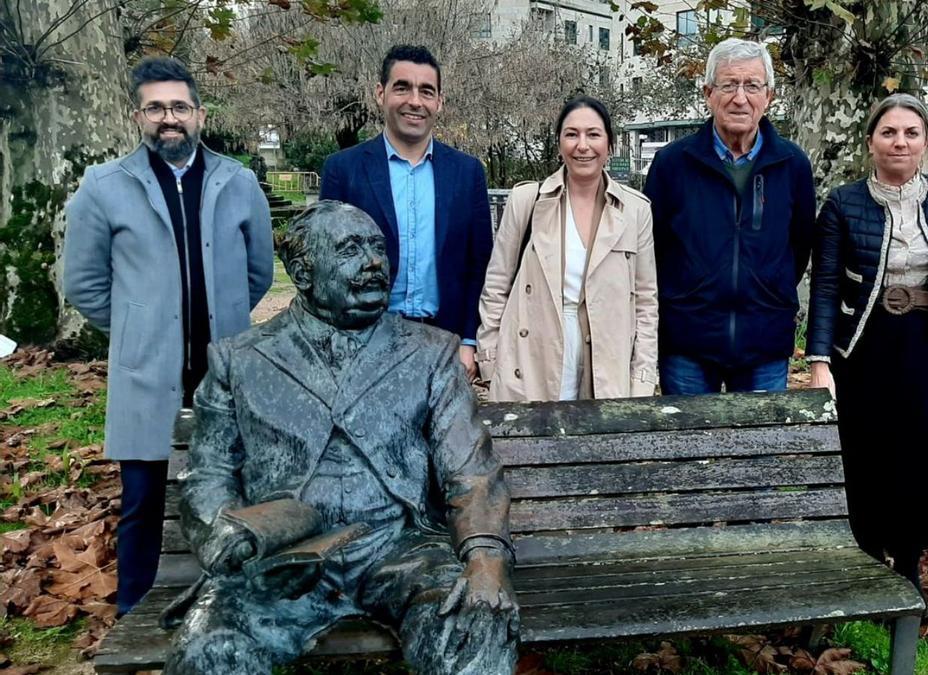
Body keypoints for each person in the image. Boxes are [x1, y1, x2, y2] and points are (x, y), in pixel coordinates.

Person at [164, 201, 518, 675]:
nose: (374, 262)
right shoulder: (240, 360)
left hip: (401, 550)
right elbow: (208, 473)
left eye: (377, 248)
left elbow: (470, 469)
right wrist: (222, 533)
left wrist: (485, 555)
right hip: (281, 562)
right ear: (303, 272)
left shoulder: (431, 353)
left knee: (472, 633)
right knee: (209, 651)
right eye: (350, 250)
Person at [63, 57, 273, 617]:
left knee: (230, 495)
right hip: (146, 370)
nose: (168, 118)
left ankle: (227, 608)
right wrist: (139, 326)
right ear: (138, 116)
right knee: (143, 500)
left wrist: (220, 317)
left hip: (223, 368)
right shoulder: (104, 186)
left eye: (179, 106)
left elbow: (258, 272)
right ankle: (134, 611)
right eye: (155, 107)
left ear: (199, 113)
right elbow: (83, 282)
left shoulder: (238, 181)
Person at [805, 93, 928, 587]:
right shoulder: (843, 202)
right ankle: (864, 554)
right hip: (865, 347)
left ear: (925, 142)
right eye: (888, 133)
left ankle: (908, 561)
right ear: (871, 142)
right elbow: (825, 284)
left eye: (910, 133)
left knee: (920, 450)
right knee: (867, 450)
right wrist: (819, 358)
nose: (899, 142)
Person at [644, 38, 815, 395]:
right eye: (729, 85)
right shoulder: (672, 165)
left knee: (757, 450)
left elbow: (799, 246)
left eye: (752, 85)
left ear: (769, 95)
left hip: (764, 342)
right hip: (687, 343)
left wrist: (766, 287)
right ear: (708, 93)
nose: (740, 97)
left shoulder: (792, 164)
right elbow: (654, 249)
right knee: (691, 448)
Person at [320, 44, 491, 379]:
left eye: (426, 91)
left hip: (445, 344)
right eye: (402, 87)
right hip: (364, 343)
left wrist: (469, 340)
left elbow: (479, 263)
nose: (415, 100)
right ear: (380, 93)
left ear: (439, 101)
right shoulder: (344, 169)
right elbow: (326, 266)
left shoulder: (467, 173)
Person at [476, 96, 657, 401]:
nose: (582, 145)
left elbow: (646, 302)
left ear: (609, 145)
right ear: (559, 144)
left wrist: (642, 377)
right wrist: (491, 361)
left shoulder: (635, 211)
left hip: (606, 360)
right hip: (532, 357)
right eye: (571, 134)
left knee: (594, 446)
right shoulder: (528, 201)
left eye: (593, 134)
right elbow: (496, 285)